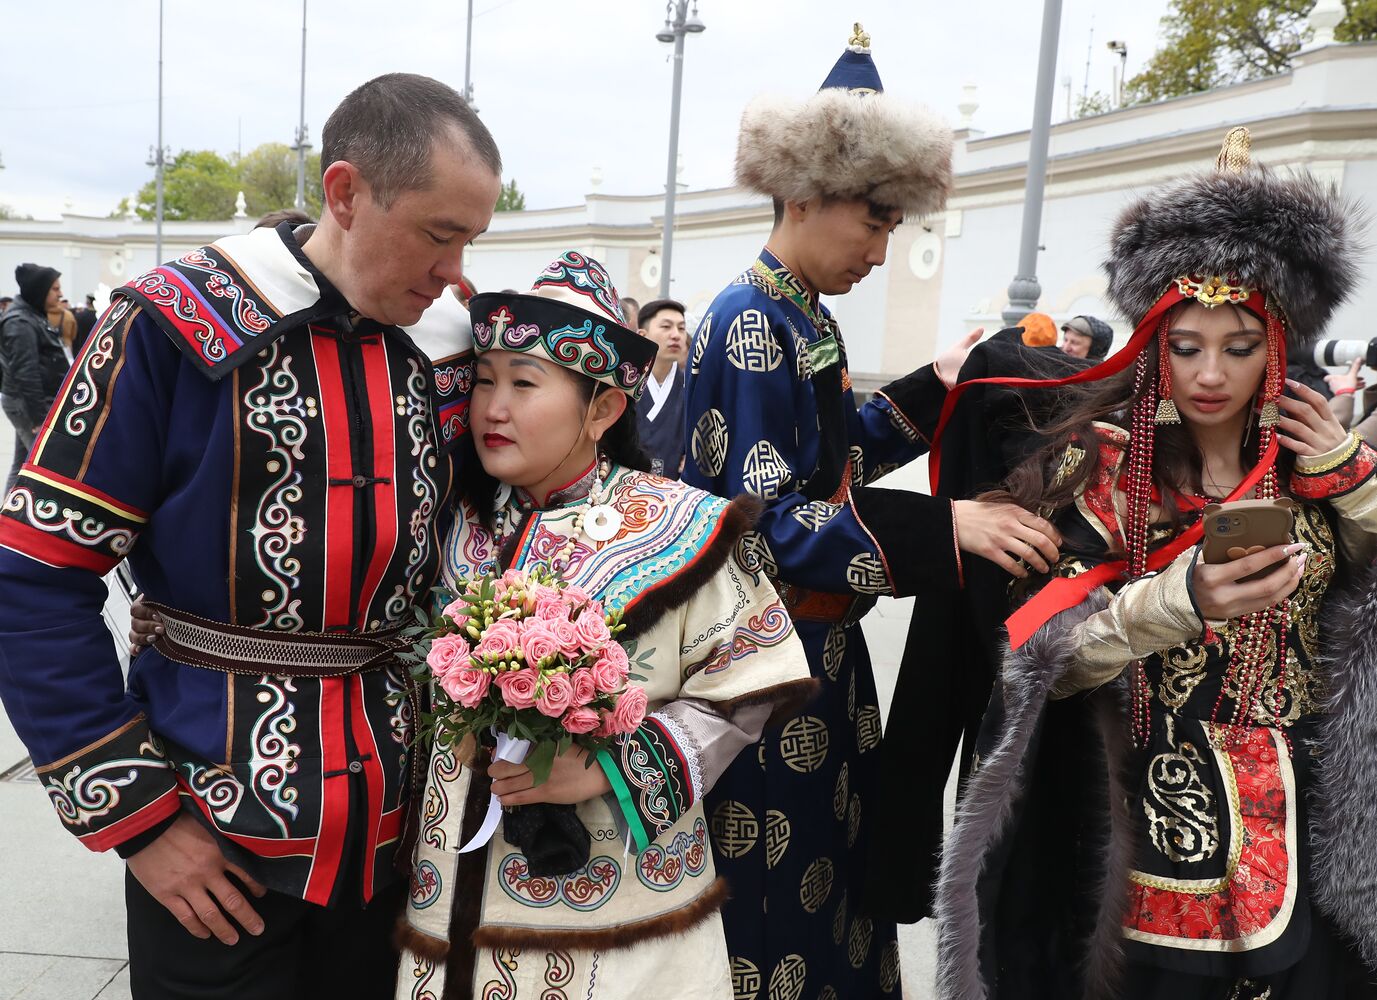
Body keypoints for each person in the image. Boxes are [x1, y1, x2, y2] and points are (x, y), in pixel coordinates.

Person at [0, 72, 500, 999]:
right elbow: (32, 578)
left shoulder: (445, 349)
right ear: (345, 192)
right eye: (438, 234)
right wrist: (140, 822)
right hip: (212, 839)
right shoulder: (168, 327)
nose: (454, 271)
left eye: (469, 240)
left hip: (399, 834)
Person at [935, 128, 1376, 999]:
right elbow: (1040, 661)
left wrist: (1352, 486)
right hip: (1147, 808)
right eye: (1185, 345)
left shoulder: (1318, 454)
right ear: (1153, 342)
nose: (1209, 372)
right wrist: (1182, 599)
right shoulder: (1091, 464)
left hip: (1311, 812)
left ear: (1278, 345)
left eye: (1239, 345)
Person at [682, 25, 1062, 998]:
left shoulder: (796, 308)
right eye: (874, 221)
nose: (883, 249)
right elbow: (755, 523)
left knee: (829, 891)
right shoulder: (750, 321)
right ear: (801, 195)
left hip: (816, 662)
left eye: (895, 226)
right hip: (769, 665)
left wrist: (938, 387)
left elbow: (832, 446)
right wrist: (945, 529)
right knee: (776, 913)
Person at [388, 253, 813, 997]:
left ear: (602, 410)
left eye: (524, 384)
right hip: (445, 887)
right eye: (485, 379)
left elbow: (744, 688)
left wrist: (612, 765)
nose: (493, 406)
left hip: (617, 917)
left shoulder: (683, 526)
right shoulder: (448, 522)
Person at [0, 263, 69, 491]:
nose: (60, 293)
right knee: (42, 467)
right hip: (26, 405)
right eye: (55, 288)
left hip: (27, 403)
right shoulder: (20, 323)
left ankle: (6, 516)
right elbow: (25, 373)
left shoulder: (32, 315)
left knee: (22, 463)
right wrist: (39, 419)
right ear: (40, 291)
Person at [634, 297, 689, 477]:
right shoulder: (625, 386)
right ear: (642, 335)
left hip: (675, 490)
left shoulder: (691, 387)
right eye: (666, 327)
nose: (676, 335)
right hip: (625, 488)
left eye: (681, 328)